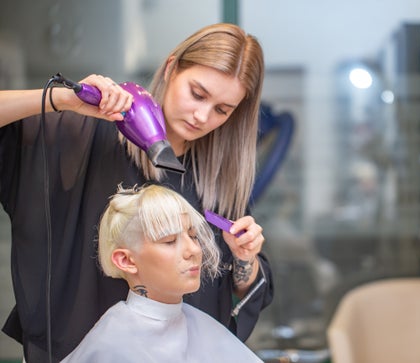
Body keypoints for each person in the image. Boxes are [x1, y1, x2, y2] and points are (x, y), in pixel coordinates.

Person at [0, 23, 273, 362]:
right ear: (172, 67)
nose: (202, 116)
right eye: (197, 94)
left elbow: (239, 292)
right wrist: (65, 99)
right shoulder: (81, 137)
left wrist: (245, 261)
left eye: (222, 110)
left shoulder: (218, 178)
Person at [61, 184, 263, 362]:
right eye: (169, 241)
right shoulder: (110, 347)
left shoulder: (203, 328)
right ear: (126, 260)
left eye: (193, 236)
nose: (193, 250)